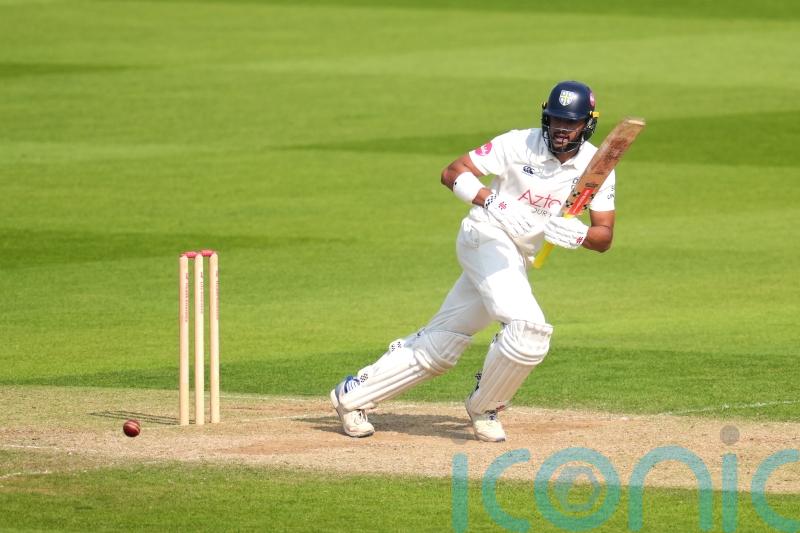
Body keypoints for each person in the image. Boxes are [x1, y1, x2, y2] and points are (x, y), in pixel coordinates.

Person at [330, 80, 616, 442]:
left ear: (587, 124)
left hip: (517, 256)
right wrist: (493, 202)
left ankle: (352, 395)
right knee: (528, 331)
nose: (561, 129)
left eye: (570, 123)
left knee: (443, 344)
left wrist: (579, 236)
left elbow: (604, 236)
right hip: (485, 236)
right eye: (555, 120)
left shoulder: (596, 165)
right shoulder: (518, 142)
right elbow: (452, 172)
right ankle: (486, 407)